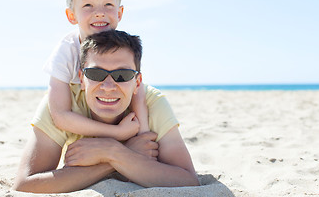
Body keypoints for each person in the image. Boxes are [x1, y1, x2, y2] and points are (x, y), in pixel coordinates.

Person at [13, 30, 199, 193]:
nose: (108, 86)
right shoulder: (62, 104)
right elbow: (24, 185)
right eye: (96, 74)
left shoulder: (153, 103)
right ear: (82, 79)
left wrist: (110, 151)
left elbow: (188, 181)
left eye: (122, 75)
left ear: (137, 82)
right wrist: (116, 157)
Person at [46, 0, 149, 141]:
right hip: (79, 114)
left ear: (119, 12)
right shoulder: (66, 51)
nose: (99, 12)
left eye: (108, 4)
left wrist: (144, 133)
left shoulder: (122, 47)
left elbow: (137, 91)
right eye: (88, 5)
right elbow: (60, 114)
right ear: (72, 15)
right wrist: (116, 133)